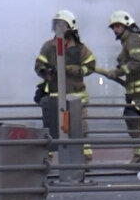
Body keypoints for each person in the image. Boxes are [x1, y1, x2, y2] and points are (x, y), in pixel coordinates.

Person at [34, 9, 95, 162]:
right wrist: (46, 72)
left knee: (80, 128)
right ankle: (46, 160)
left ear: (70, 26)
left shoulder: (81, 49)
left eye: (62, 24)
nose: (58, 28)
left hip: (76, 96)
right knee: (51, 128)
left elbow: (91, 66)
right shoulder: (48, 47)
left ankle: (85, 158)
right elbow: (38, 65)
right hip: (54, 96)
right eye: (56, 25)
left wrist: (74, 69)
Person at [102, 10, 140, 163]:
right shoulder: (131, 40)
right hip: (139, 90)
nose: (115, 30)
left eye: (118, 26)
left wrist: (118, 72)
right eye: (113, 27)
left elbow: (138, 62)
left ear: (127, 25)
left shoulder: (132, 39)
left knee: (136, 121)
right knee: (136, 122)